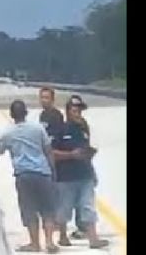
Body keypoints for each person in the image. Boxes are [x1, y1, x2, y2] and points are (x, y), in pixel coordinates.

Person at [0, 100, 60, 253]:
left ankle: (35, 244)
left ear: (11, 115)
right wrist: (53, 171)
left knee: (29, 210)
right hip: (43, 173)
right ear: (26, 113)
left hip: (24, 175)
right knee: (47, 209)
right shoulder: (38, 128)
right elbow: (48, 150)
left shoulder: (8, 133)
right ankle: (49, 242)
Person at [50, 95, 109, 249]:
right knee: (64, 207)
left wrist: (90, 162)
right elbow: (52, 152)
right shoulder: (60, 129)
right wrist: (70, 155)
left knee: (88, 206)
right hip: (66, 176)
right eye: (75, 110)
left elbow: (87, 148)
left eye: (80, 110)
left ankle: (93, 239)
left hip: (85, 174)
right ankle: (63, 236)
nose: (78, 113)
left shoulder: (84, 127)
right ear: (68, 111)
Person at [38, 87, 89, 240]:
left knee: (79, 198)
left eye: (47, 97)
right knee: (62, 197)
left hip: (77, 166)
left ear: (53, 99)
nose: (43, 100)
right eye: (42, 97)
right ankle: (61, 230)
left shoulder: (57, 117)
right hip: (58, 160)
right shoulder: (44, 115)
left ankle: (80, 226)